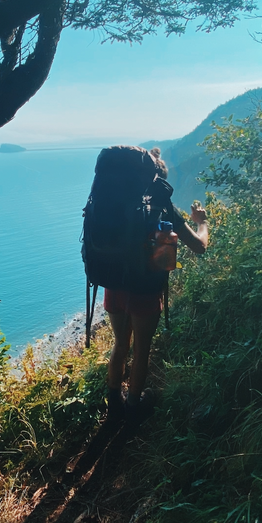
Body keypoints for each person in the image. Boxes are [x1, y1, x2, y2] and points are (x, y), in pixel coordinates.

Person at [104, 149, 209, 426]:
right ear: (160, 179)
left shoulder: (118, 201)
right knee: (142, 350)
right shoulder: (164, 206)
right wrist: (203, 222)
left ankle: (113, 403)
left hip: (115, 285)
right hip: (146, 291)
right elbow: (199, 246)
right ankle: (134, 407)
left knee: (120, 344)